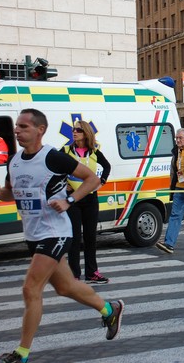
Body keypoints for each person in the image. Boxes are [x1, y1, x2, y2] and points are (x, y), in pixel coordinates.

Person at [0, 109, 123, 363]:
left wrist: (70, 200)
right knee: (65, 287)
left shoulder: (52, 157)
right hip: (33, 233)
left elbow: (92, 178)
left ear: (40, 130)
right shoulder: (15, 161)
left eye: (24, 126)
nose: (17, 130)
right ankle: (110, 309)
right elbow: (11, 193)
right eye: (17, 126)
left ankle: (22, 353)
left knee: (31, 289)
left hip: (56, 232)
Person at [62, 120, 111, 283]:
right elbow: (54, 169)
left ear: (86, 133)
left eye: (78, 130)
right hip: (73, 200)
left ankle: (92, 272)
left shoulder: (94, 151)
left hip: (90, 199)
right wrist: (64, 184)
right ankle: (74, 274)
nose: (74, 132)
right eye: (73, 130)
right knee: (75, 238)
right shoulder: (66, 150)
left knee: (91, 237)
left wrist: (101, 181)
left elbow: (107, 166)